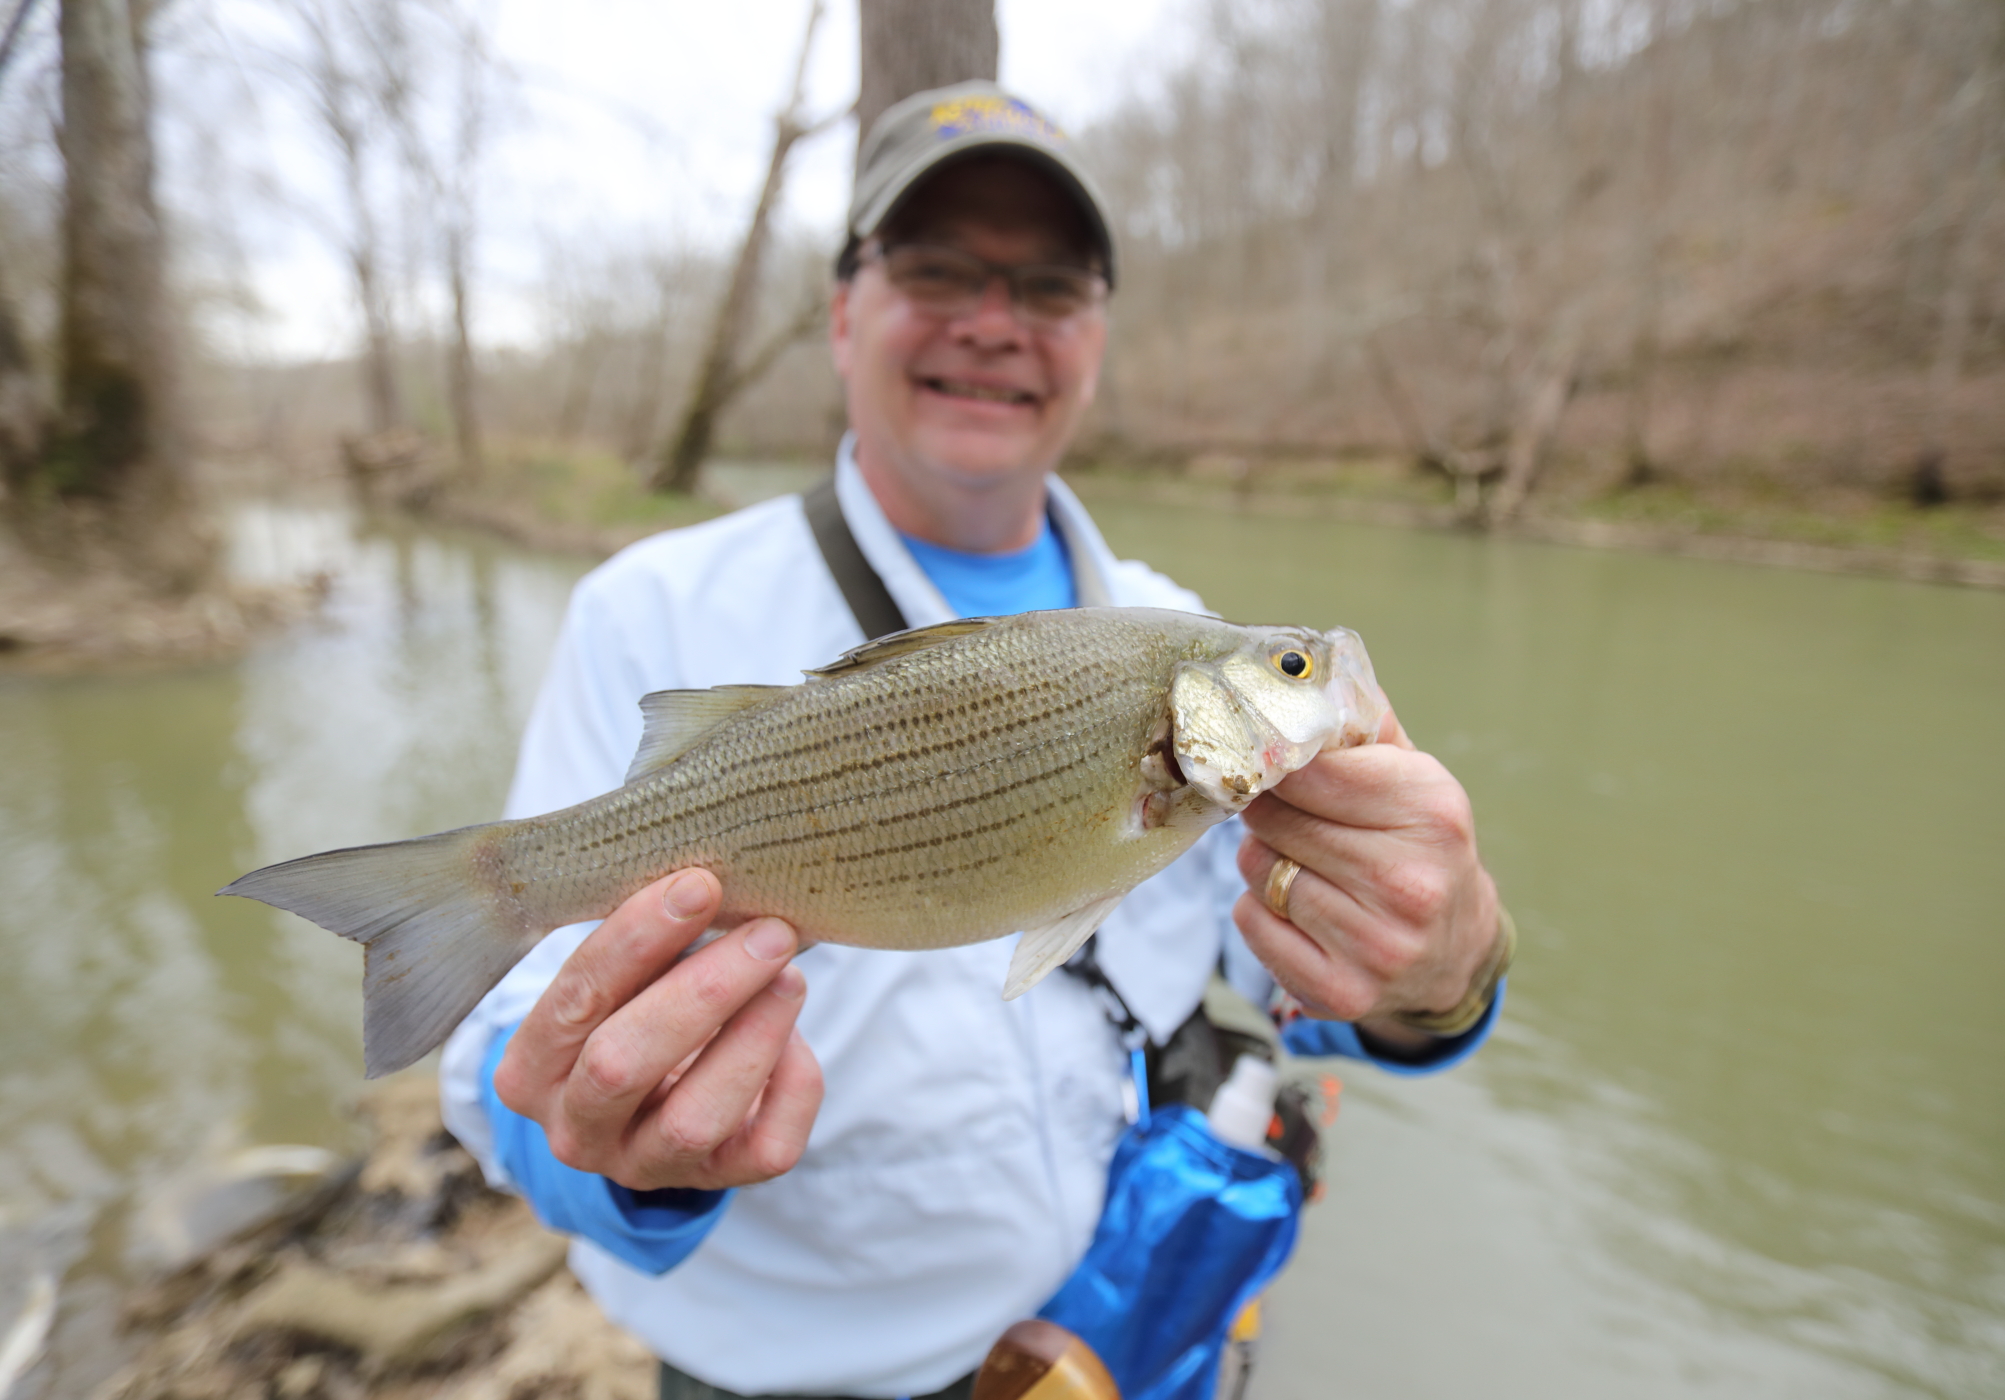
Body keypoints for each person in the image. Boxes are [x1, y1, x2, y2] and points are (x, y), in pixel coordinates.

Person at [438, 83, 1509, 1400]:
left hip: (1113, 1344)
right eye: (938, 269)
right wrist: (611, 1152)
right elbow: (490, 1061)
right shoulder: (649, 608)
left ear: (1096, 335)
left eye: (1050, 286)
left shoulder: (1172, 624)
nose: (995, 322)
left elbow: (1302, 977)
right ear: (844, 312)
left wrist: (1444, 970)